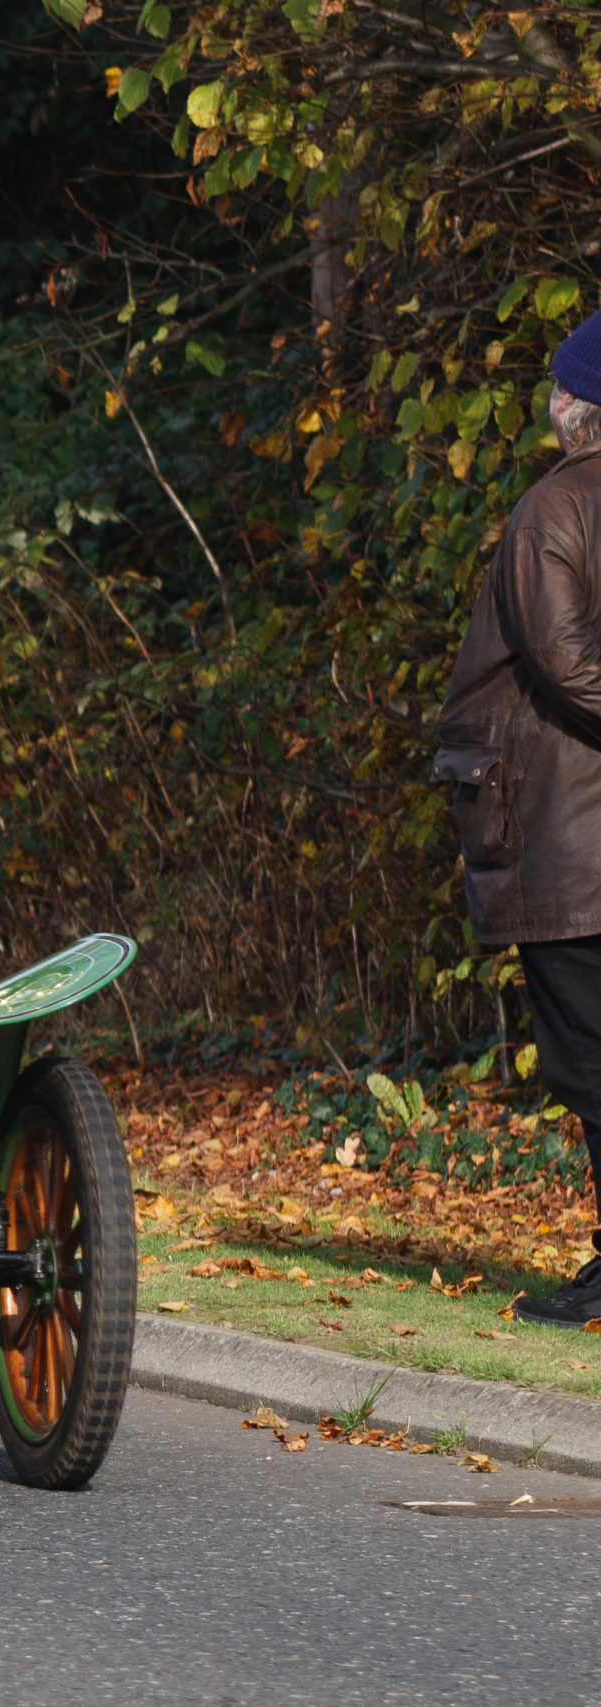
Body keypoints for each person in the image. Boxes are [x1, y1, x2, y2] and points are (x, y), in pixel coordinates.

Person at [435, 310, 601, 1326]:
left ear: (574, 404)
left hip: (570, 843)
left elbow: (561, 658)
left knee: (589, 1061)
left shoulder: (552, 508)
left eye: (554, 386)